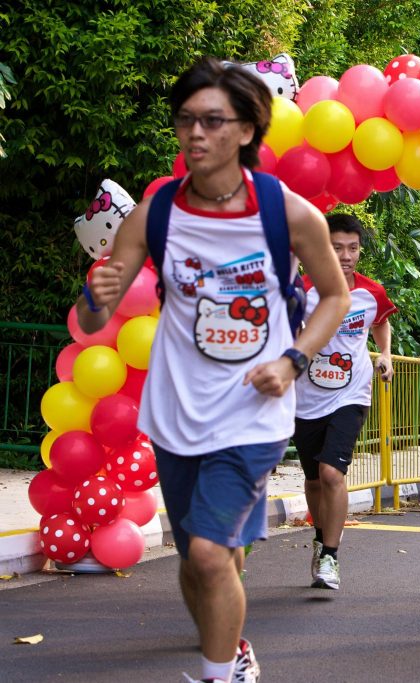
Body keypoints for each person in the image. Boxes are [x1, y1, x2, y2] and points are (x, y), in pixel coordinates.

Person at [76, 57, 348, 683]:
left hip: (251, 417)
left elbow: (332, 296)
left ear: (248, 131)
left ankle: (218, 676)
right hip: (175, 416)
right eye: (186, 120)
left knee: (205, 552)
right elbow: (94, 322)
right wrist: (98, 293)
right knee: (195, 559)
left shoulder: (287, 213)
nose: (196, 134)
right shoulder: (157, 215)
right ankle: (234, 649)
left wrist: (292, 359)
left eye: (213, 121)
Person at [293, 213, 396, 591]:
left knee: (332, 473)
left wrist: (383, 353)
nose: (346, 255)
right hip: (307, 397)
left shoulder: (371, 292)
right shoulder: (302, 290)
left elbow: (381, 321)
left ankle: (331, 557)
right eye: (337, 247)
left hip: (351, 394)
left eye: (353, 248)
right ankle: (321, 538)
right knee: (313, 479)